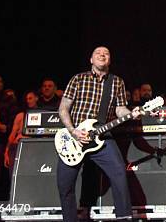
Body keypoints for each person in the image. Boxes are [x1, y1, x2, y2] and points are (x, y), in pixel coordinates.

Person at [57, 46, 141, 222]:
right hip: (76, 137)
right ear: (91, 60)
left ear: (109, 60)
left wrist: (131, 113)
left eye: (106, 53)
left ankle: (124, 218)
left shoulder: (117, 82)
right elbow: (63, 108)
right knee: (65, 185)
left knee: (119, 174)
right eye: (98, 53)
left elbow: (120, 109)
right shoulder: (78, 79)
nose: (102, 55)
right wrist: (73, 131)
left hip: (102, 136)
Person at [4, 90, 39, 172]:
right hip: (18, 146)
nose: (28, 101)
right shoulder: (20, 115)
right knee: (14, 173)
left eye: (30, 98)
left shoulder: (42, 115)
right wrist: (6, 151)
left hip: (34, 148)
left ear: (36, 98)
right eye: (26, 99)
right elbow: (12, 134)